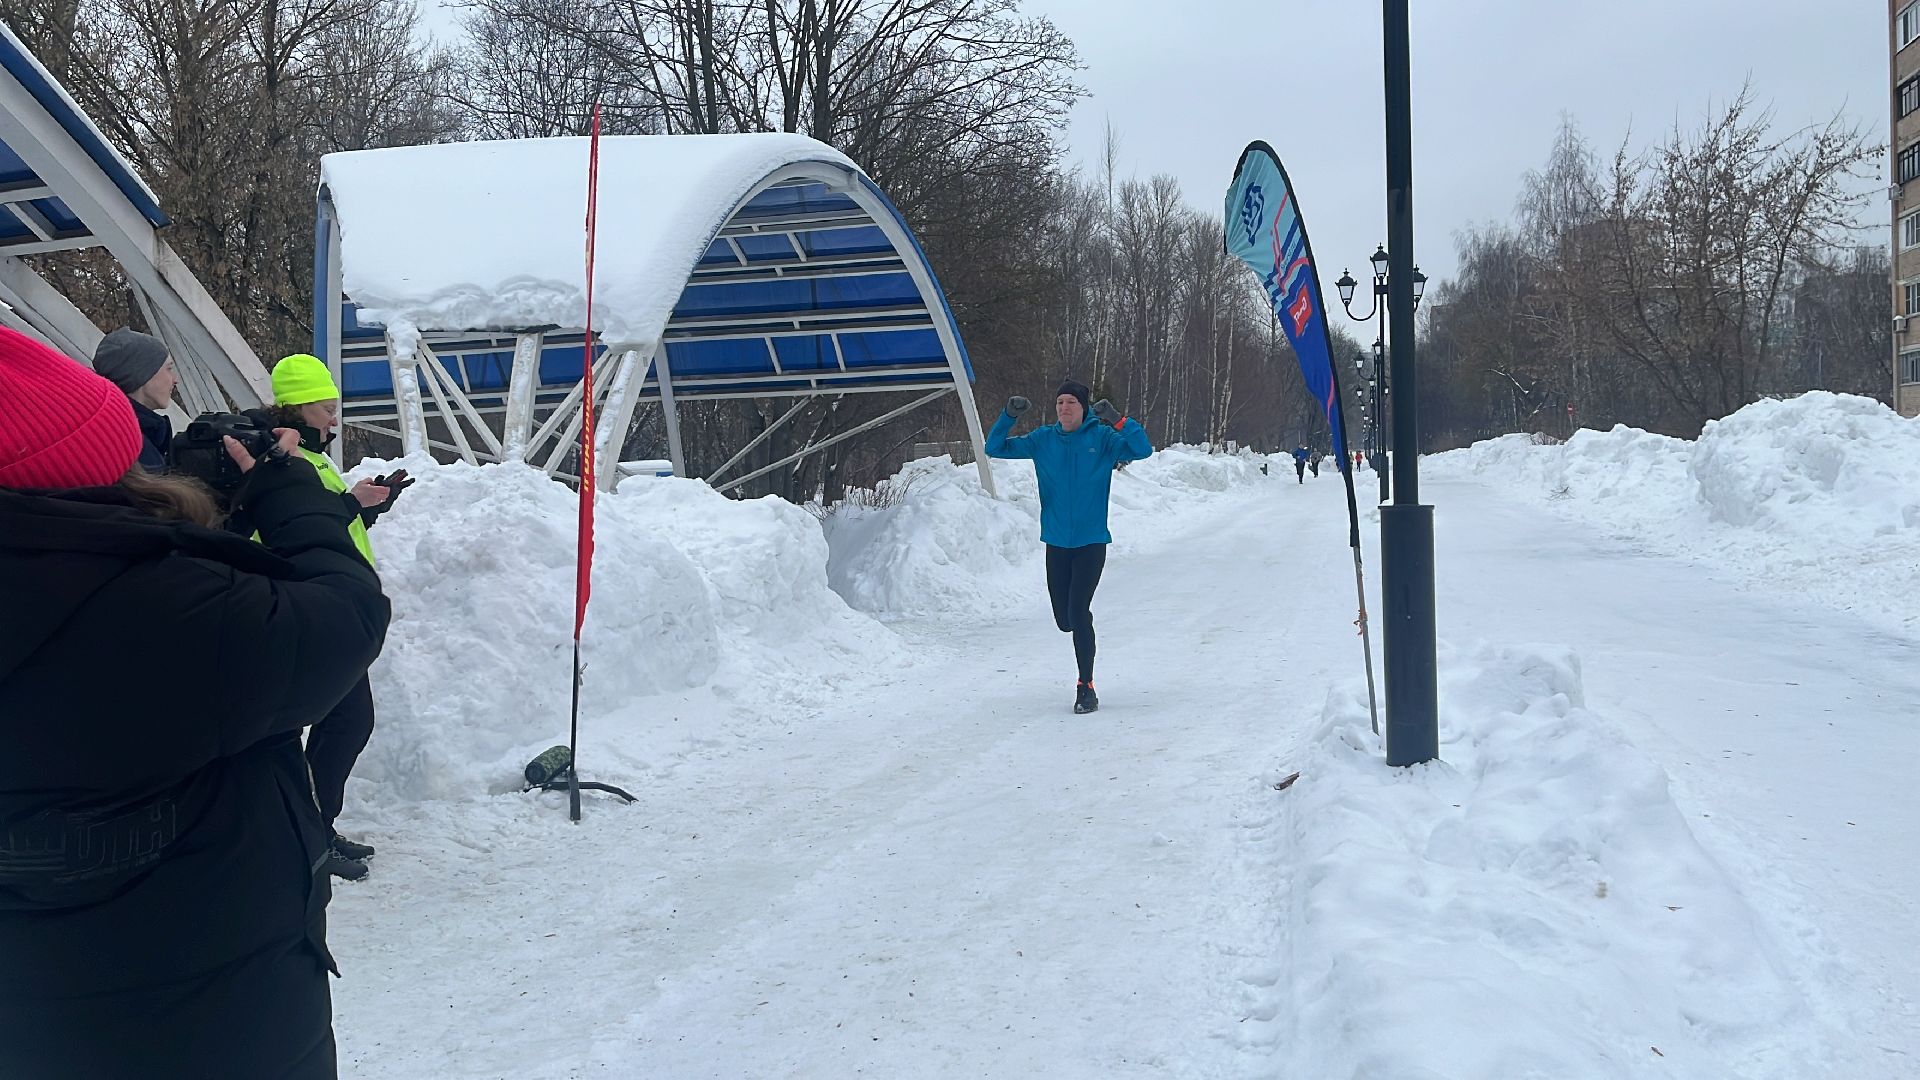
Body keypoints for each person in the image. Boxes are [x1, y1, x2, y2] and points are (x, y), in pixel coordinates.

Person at [0, 326, 390, 1078]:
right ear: (76, 468)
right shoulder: (143, 606)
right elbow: (343, 619)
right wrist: (291, 494)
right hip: (214, 1014)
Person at [256, 353, 410, 881]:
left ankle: (314, 829)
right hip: (310, 610)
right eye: (326, 406)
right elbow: (281, 530)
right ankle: (309, 836)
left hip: (332, 611)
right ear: (300, 406)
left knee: (341, 723)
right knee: (343, 722)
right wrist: (348, 507)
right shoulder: (284, 463)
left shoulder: (313, 461)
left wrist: (363, 507)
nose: (334, 417)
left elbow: (321, 528)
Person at [985, 379, 1152, 714]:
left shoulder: (1102, 439)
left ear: (1084, 407)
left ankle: (1085, 685)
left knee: (1078, 612)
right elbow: (995, 447)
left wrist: (1118, 420)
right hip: (1057, 543)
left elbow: (1142, 449)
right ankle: (1081, 643)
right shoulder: (1042, 440)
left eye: (1071, 402)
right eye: (1060, 402)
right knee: (1065, 619)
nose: (1064, 407)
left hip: (1091, 542)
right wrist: (1007, 415)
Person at [91, 327, 178, 472]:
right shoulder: (135, 450)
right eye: (169, 369)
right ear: (144, 375)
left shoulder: (111, 430)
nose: (175, 380)